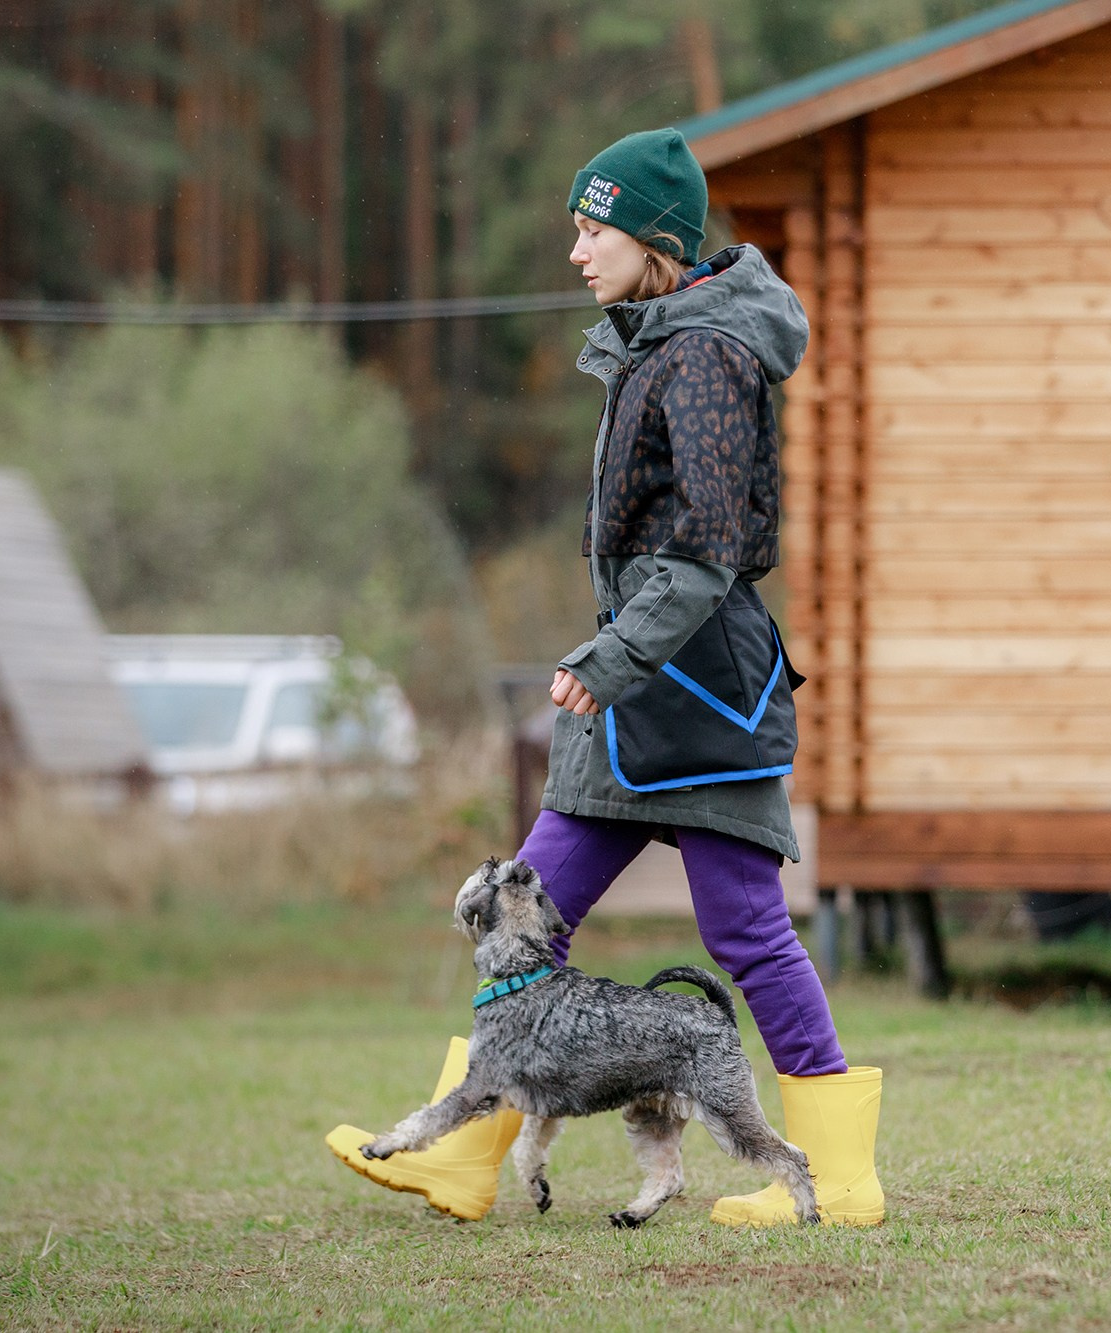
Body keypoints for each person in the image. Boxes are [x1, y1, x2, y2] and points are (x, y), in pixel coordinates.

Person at [326, 128, 882, 1227]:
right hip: (629, 699)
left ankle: (840, 1177)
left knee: (746, 933)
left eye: (594, 231)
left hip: (703, 691)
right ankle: (461, 1155)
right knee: (529, 911)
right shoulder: (652, 343)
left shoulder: (708, 354)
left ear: (653, 238)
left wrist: (611, 656)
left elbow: (706, 551)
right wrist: (615, 659)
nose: (577, 252)